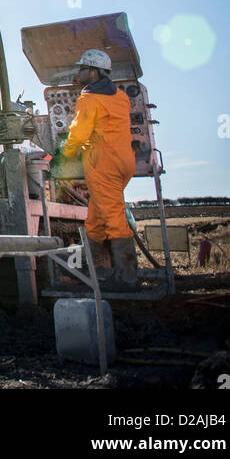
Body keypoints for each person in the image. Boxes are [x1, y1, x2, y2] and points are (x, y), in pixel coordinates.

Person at [60, 48, 137, 290]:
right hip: (125, 162)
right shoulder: (120, 97)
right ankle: (84, 268)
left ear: (93, 72)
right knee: (96, 215)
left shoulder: (88, 99)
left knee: (113, 217)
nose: (79, 72)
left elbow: (79, 133)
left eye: (82, 68)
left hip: (104, 164)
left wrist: (64, 156)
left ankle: (127, 278)